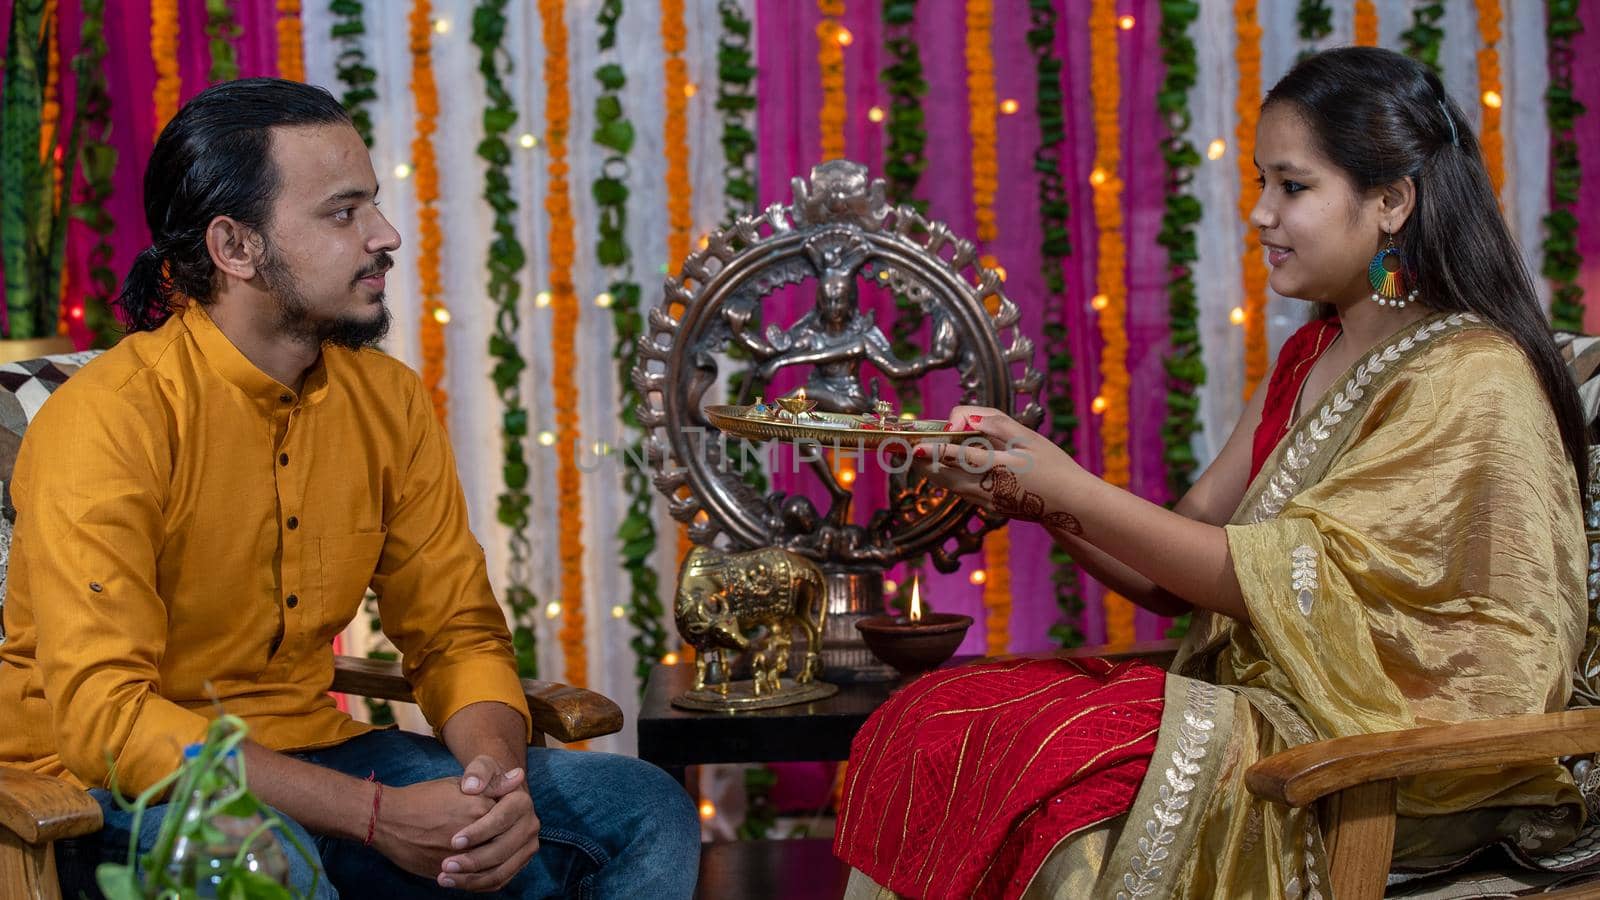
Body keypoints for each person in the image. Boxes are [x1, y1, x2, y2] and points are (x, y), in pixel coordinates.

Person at [835, 46, 1591, 898]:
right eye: (1262, 183)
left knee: (1040, 767)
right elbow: (1180, 570)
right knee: (932, 719)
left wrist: (1065, 486)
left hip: (1386, 753)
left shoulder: (1471, 372)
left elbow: (1303, 587)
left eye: (1292, 187)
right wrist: (1027, 494)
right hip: (1262, 708)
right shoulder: (1311, 354)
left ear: (1390, 201)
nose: (1260, 214)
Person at [0, 78, 700, 899]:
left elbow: (456, 635)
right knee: (270, 865)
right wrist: (375, 815)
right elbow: (106, 717)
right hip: (116, 790)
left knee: (643, 809)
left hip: (316, 755)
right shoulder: (111, 418)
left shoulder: (388, 401)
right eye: (343, 213)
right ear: (236, 248)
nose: (386, 234)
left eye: (373, 204)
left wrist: (491, 794)